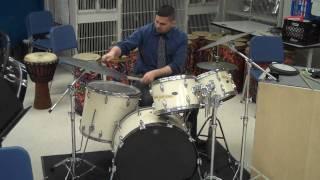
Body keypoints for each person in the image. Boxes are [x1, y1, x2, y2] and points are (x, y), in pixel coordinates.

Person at [102, 5, 199, 140]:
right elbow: (125, 45)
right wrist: (113, 52)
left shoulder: (181, 37)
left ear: (173, 23)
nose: (158, 25)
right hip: (143, 78)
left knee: (193, 103)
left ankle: (190, 139)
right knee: (147, 100)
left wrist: (155, 73)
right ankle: (148, 139)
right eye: (157, 22)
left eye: (163, 23)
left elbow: (177, 65)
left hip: (169, 80)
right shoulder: (145, 31)